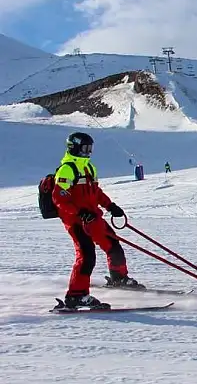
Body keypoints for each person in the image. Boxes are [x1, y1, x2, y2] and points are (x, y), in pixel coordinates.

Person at [52, 132, 143, 308]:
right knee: (86, 256)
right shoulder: (67, 169)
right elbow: (59, 199)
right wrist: (79, 212)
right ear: (75, 147)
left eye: (90, 149)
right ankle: (76, 295)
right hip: (77, 221)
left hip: (94, 218)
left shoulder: (89, 168)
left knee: (114, 245)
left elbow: (96, 193)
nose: (88, 152)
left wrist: (110, 206)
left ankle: (118, 277)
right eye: (85, 148)